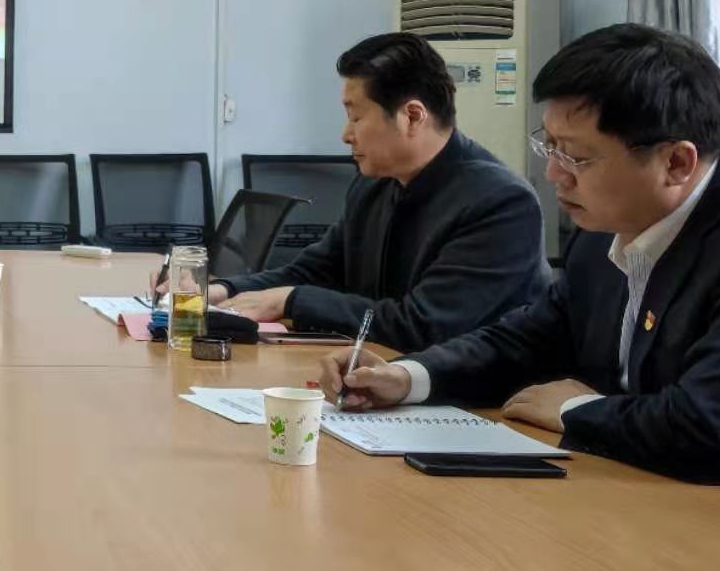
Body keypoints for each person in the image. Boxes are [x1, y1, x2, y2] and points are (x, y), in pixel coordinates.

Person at [323, 24, 720, 542]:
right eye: (550, 146)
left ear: (677, 163)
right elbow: (530, 338)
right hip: (640, 504)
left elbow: (714, 429)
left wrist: (577, 409)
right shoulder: (608, 228)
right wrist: (409, 376)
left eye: (576, 156)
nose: (553, 174)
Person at [194, 33, 549, 351]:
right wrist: (225, 289)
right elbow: (317, 270)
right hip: (380, 374)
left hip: (473, 395)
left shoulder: (501, 203)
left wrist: (291, 301)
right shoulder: (374, 183)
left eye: (356, 118)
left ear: (412, 116)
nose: (346, 135)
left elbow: (423, 326)